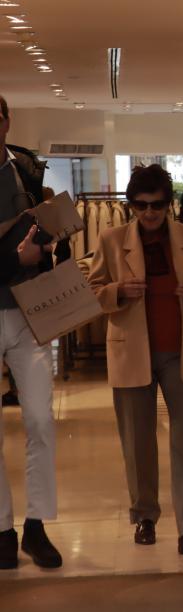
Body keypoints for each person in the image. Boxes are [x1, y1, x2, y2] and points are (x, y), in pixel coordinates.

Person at [87, 164, 183, 554]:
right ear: (130, 205)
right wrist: (117, 290)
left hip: (180, 351)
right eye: (142, 205)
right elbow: (92, 291)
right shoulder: (111, 239)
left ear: (170, 204)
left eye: (158, 205)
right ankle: (144, 516)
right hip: (131, 350)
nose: (150, 213)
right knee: (137, 440)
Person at [0, 94, 65, 570]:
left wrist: (50, 244)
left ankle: (36, 525)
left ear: (5, 122)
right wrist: (13, 259)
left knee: (40, 420)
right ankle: (1, 529)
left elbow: (42, 238)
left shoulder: (26, 171)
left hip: (29, 314)